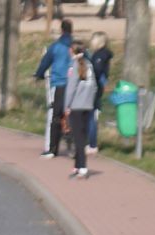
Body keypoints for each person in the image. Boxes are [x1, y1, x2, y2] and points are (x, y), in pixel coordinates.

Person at [34, 19, 74, 159]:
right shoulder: (76, 46)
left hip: (59, 84)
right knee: (72, 115)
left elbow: (46, 61)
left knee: (56, 116)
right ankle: (75, 145)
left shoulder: (56, 46)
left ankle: (52, 149)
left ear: (62, 30)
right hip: (74, 85)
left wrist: (39, 74)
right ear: (71, 31)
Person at [63, 43, 97, 179]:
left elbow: (71, 88)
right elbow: (94, 86)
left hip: (76, 106)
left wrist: (66, 106)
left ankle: (82, 167)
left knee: (78, 138)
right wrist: (90, 100)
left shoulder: (74, 65)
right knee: (82, 135)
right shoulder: (89, 64)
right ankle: (77, 165)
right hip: (87, 105)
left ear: (72, 51)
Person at [86, 33, 112, 153]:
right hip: (95, 87)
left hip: (94, 88)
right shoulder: (98, 54)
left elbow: (97, 70)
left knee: (91, 115)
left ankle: (92, 144)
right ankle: (90, 142)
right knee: (90, 115)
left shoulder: (100, 55)